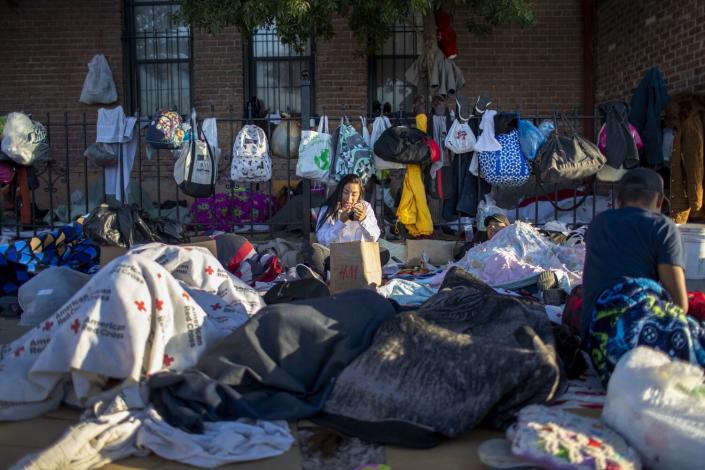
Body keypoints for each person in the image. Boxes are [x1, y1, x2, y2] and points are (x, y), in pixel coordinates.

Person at [581, 167, 703, 385]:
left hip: (596, 343)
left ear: (618, 200)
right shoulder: (663, 227)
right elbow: (679, 304)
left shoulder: (598, 223)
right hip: (635, 345)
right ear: (660, 201)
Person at [297, 174, 387, 280]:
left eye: (354, 194)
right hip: (335, 257)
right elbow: (322, 240)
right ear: (339, 191)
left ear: (360, 195)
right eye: (345, 193)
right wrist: (340, 222)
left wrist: (363, 219)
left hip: (359, 257)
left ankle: (330, 276)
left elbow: (373, 238)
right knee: (313, 250)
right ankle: (321, 277)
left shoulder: (366, 207)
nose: (349, 198)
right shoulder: (328, 208)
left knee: (384, 252)